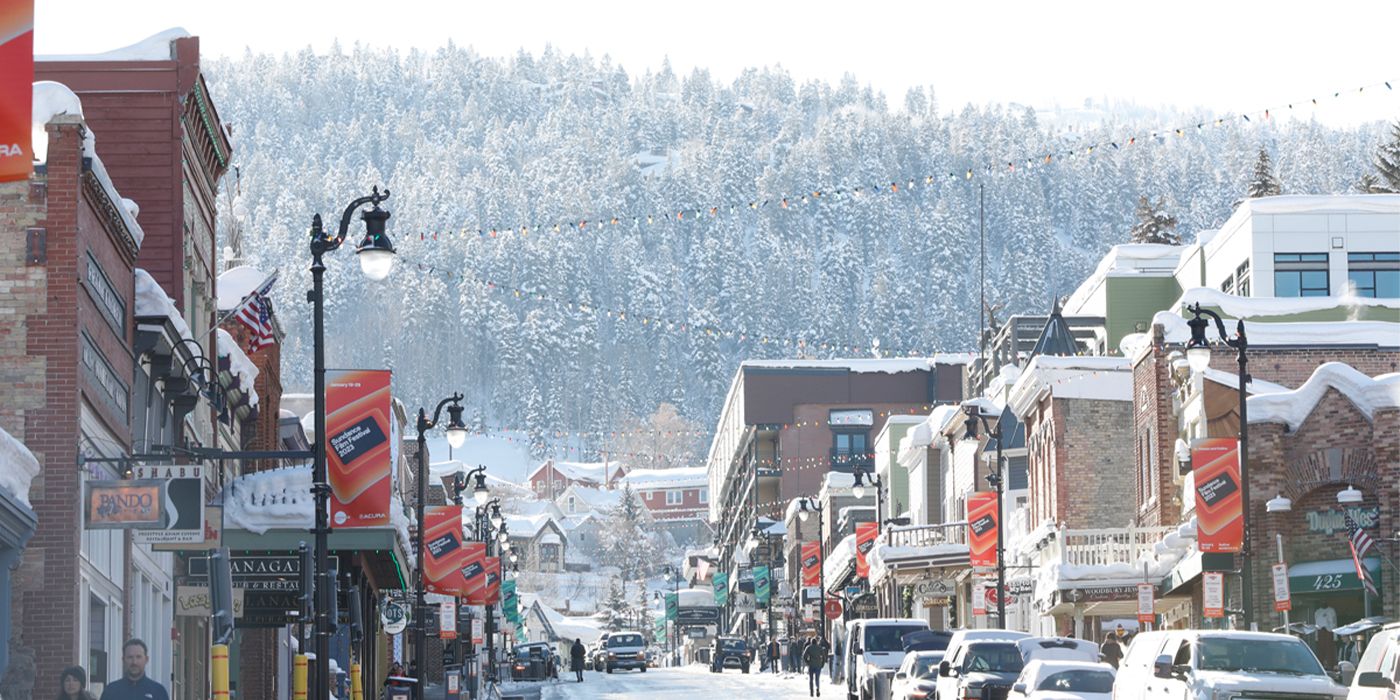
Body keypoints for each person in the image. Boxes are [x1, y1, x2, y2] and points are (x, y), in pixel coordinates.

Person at [98, 639, 168, 700]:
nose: (134, 662)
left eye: (138, 657)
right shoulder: (111, 691)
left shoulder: (158, 692)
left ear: (146, 659)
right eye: (130, 657)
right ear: (123, 660)